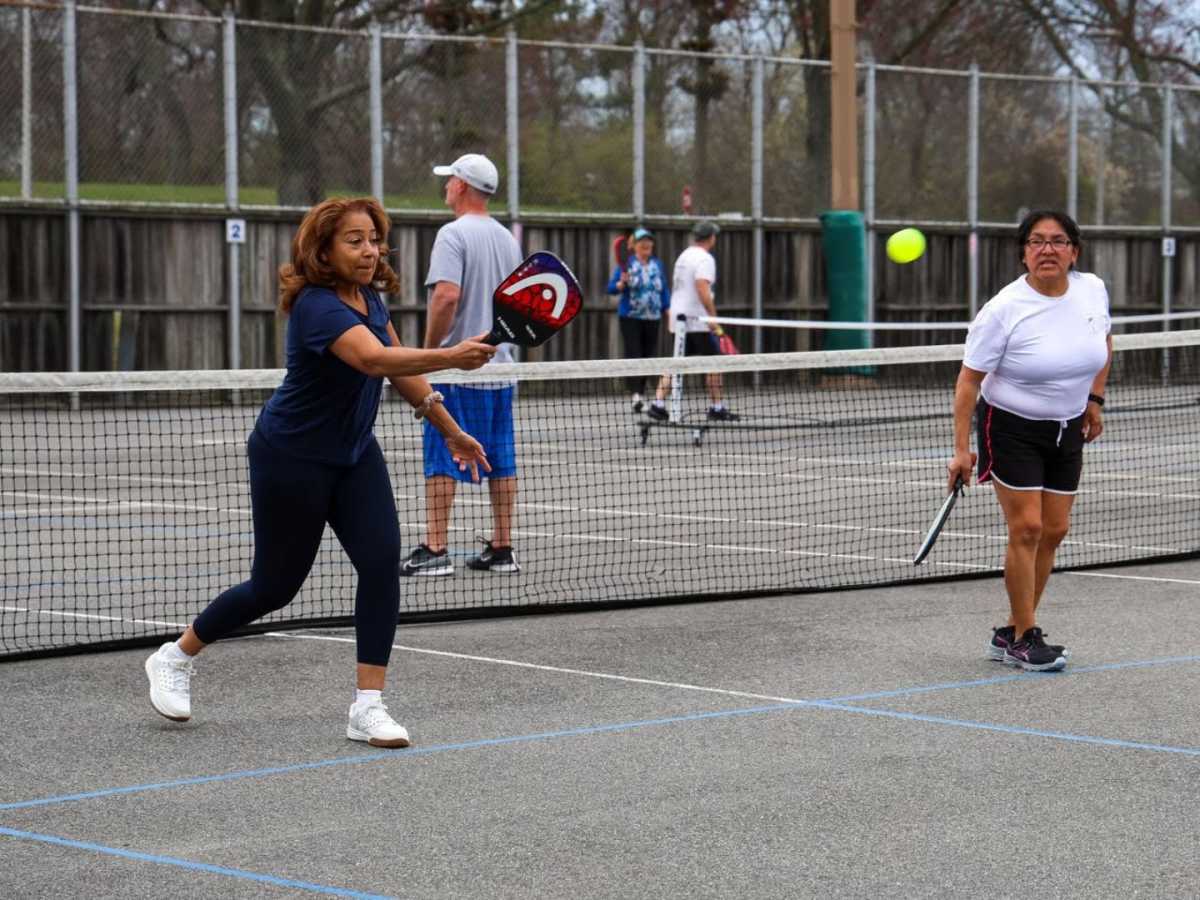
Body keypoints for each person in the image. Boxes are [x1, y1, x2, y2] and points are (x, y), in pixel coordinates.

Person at [143, 197, 496, 748]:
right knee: (274, 587)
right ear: (324, 249)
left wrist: (450, 429)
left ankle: (368, 706)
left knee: (380, 563)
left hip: (354, 454)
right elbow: (373, 361)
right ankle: (176, 655)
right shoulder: (317, 306)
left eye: (374, 238)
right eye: (354, 240)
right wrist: (451, 355)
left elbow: (401, 369)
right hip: (291, 456)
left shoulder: (370, 299)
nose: (369, 249)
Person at [947, 209, 1112, 672]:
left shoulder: (1092, 290)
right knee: (1027, 528)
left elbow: (1104, 343)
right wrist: (962, 450)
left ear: (1073, 252)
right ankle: (1024, 636)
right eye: (1037, 242)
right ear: (1023, 254)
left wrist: (1094, 400)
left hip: (1068, 426)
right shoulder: (1003, 310)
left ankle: (1012, 628)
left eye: (1058, 241)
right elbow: (967, 382)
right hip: (1011, 426)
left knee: (1055, 530)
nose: (1047, 250)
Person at [400, 153, 524, 578]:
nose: (446, 185)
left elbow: (446, 297)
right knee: (500, 458)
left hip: (456, 368)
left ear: (462, 187)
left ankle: (435, 548)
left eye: (450, 179)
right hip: (500, 368)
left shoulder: (452, 235)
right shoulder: (508, 239)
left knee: (442, 454)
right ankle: (502, 547)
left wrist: (430, 353)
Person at [647, 220, 736, 422]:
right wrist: (712, 318)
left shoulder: (684, 255)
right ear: (711, 237)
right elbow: (702, 288)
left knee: (677, 361)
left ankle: (658, 403)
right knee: (714, 361)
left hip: (678, 318)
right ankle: (716, 407)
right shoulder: (705, 259)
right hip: (695, 320)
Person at [606, 227, 670, 412]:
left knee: (648, 356)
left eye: (649, 241)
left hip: (653, 317)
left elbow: (663, 288)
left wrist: (668, 310)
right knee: (634, 354)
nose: (647, 243)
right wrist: (620, 284)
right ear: (634, 245)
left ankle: (641, 393)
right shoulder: (627, 265)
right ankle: (636, 395)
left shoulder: (657, 265)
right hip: (631, 318)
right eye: (642, 241)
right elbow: (610, 288)